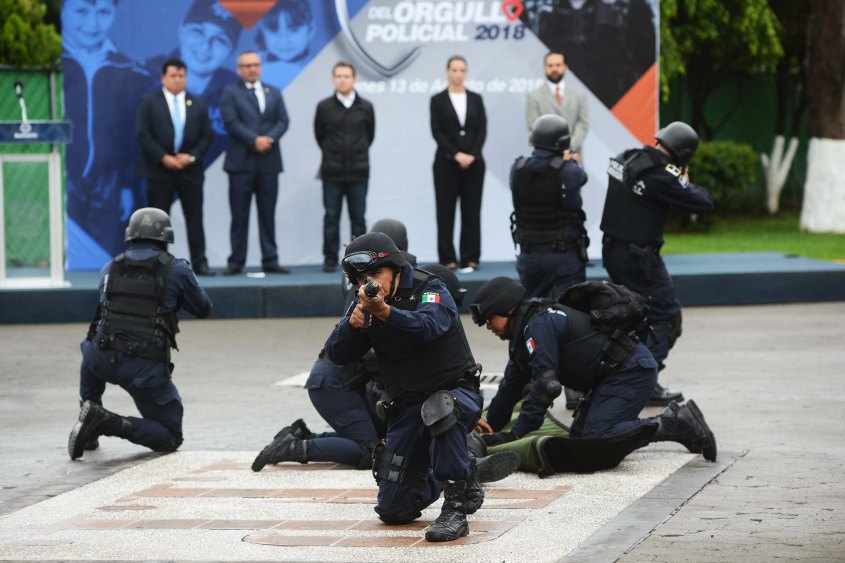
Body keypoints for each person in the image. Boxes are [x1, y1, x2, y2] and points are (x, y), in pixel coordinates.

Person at [322, 232, 510, 542]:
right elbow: (336, 355)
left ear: (395, 268)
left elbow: (428, 327)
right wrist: (351, 326)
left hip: (455, 393)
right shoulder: (364, 302)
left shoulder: (431, 288)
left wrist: (384, 312)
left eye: (373, 275)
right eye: (359, 278)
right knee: (393, 510)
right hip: (408, 406)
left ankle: (456, 509)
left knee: (440, 408)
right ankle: (465, 469)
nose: (368, 283)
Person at [467, 277, 716, 464]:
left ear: (508, 309)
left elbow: (547, 386)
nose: (488, 327)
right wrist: (491, 425)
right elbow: (510, 388)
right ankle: (675, 424)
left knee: (598, 439)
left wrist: (516, 434)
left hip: (631, 372)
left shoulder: (538, 326)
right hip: (611, 377)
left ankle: (676, 422)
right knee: (580, 442)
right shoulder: (526, 333)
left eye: (490, 320)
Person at [68, 208, 213, 460]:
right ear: (165, 239)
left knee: (89, 344)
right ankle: (103, 421)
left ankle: (89, 410)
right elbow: (203, 309)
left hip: (100, 358)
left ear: (130, 237)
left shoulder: (110, 267)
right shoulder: (176, 270)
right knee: (170, 436)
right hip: (142, 368)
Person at [600, 121, 714, 405]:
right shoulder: (662, 175)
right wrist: (683, 178)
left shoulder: (627, 157)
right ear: (684, 153)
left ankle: (613, 376)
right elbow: (703, 202)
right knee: (666, 317)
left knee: (630, 318)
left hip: (612, 250)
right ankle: (642, 382)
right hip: (639, 258)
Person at [61, 0, 150, 267]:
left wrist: (125, 185)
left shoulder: (131, 70)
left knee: (106, 261)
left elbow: (133, 137)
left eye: (103, 12)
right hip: (60, 178)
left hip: (109, 184)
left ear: (114, 15)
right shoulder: (47, 65)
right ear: (62, 11)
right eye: (81, 11)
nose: (92, 23)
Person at [136, 58, 215, 276]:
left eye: (181, 76)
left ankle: (200, 263)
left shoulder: (197, 102)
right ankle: (157, 263)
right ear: (163, 78)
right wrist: (164, 158)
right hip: (159, 170)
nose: (178, 80)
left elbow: (207, 136)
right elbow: (143, 134)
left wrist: (190, 157)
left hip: (190, 170)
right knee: (158, 221)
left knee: (195, 217)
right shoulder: (149, 101)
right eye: (173, 76)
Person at [145, 0, 242, 168]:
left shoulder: (238, 95)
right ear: (181, 29)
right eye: (197, 32)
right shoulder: (143, 79)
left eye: (220, 40)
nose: (205, 46)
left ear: (231, 51)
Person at [220, 51, 291, 275]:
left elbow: (283, 120)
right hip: (241, 164)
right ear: (239, 69)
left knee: (267, 214)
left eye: (255, 65)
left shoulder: (274, 92)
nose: (252, 69)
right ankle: (236, 261)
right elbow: (231, 121)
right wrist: (254, 140)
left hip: (268, 163)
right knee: (239, 216)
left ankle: (270, 259)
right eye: (247, 65)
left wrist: (267, 139)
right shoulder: (230, 92)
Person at [512, 115, 589, 299]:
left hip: (529, 255)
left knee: (531, 311)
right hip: (563, 258)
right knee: (570, 313)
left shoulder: (517, 168)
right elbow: (581, 178)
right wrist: (571, 160)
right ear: (563, 142)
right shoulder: (569, 169)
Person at [314, 61, 376, 272]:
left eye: (346, 76)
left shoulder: (366, 107)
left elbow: (370, 136)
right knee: (331, 217)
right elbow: (320, 136)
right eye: (338, 76)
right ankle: (330, 259)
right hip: (332, 172)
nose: (342, 79)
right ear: (333, 79)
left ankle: (359, 260)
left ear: (354, 79)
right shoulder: (324, 107)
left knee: (358, 218)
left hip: (358, 172)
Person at [430, 55, 487, 272]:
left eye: (462, 70)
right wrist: (456, 154)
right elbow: (437, 132)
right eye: (454, 70)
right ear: (447, 72)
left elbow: (481, 129)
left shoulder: (476, 99)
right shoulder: (437, 100)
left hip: (474, 164)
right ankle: (448, 259)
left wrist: (471, 155)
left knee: (471, 211)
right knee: (445, 212)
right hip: (446, 164)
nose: (458, 74)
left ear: (466, 72)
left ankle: (471, 257)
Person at [526, 52, 589, 154]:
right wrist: (554, 149)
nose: (554, 69)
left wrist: (568, 147)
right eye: (550, 65)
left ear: (565, 67)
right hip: (545, 158)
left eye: (558, 65)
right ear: (544, 68)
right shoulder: (534, 96)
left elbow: (583, 124)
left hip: (573, 156)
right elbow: (533, 125)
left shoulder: (579, 94)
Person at [255, 0, 317, 90]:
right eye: (273, 30)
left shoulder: (319, 68)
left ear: (311, 29)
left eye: (294, 29)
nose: (284, 40)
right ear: (263, 32)